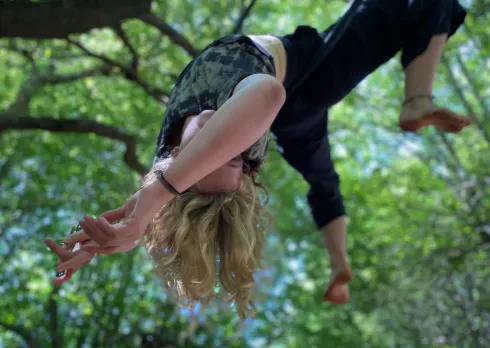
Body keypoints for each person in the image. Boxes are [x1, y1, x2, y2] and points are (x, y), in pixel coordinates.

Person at [45, 0, 471, 318]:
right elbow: (267, 95)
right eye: (235, 159)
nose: (227, 147)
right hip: (309, 74)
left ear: (178, 159)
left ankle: (340, 266)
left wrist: (127, 229)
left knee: (324, 182)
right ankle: (417, 99)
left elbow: (167, 197)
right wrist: (160, 194)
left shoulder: (167, 163)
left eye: (213, 155)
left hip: (294, 118)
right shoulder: (231, 144)